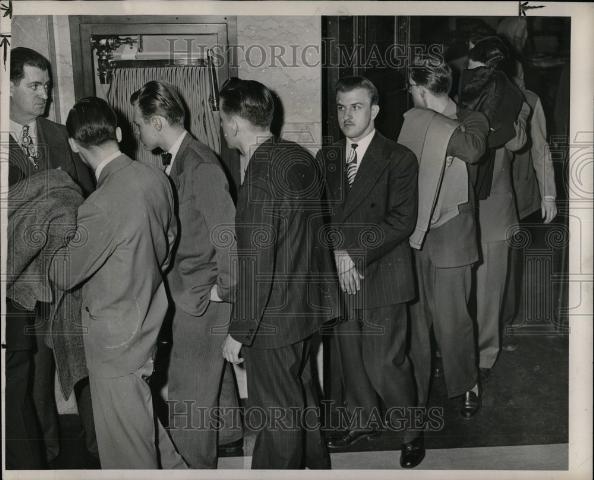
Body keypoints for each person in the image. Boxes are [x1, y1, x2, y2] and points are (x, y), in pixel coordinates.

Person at [48, 97, 185, 469]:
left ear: (75, 145)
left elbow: (62, 274)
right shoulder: (156, 178)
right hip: (149, 325)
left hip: (113, 341)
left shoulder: (100, 204)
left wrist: (58, 231)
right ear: (120, 134)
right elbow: (168, 245)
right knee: (145, 429)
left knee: (127, 453)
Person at [220, 78, 333, 469]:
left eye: (223, 119)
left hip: (272, 321)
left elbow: (257, 259)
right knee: (303, 401)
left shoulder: (259, 173)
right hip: (306, 309)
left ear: (234, 124)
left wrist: (239, 330)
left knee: (278, 419)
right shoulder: (299, 156)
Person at [130, 80, 242, 468]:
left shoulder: (200, 164)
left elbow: (228, 234)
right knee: (212, 377)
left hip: (201, 298)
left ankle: (194, 467)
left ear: (158, 122)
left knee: (187, 392)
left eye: (140, 124)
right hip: (190, 292)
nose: (138, 132)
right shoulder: (181, 160)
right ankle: (227, 439)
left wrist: (224, 290)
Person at [316, 76, 424, 468]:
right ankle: (363, 421)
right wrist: (338, 252)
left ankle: (411, 432)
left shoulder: (399, 158)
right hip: (342, 274)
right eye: (342, 107)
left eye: (356, 106)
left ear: (374, 110)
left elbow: (402, 221)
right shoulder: (326, 158)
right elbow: (319, 215)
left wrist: (352, 254)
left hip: (382, 275)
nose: (347, 115)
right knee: (350, 359)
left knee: (384, 362)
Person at [6, 46, 96, 468]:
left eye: (47, 85)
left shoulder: (61, 136)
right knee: (31, 375)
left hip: (67, 274)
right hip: (19, 286)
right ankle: (43, 459)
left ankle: (104, 455)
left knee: (85, 361)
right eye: (34, 85)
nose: (44, 94)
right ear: (8, 87)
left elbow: (88, 200)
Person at [399, 58, 489, 418]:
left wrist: (437, 126)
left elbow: (473, 150)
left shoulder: (471, 119)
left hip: (452, 232)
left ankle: (466, 384)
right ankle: (416, 392)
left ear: (419, 88)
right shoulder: (412, 120)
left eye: (410, 88)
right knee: (416, 322)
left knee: (454, 320)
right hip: (416, 233)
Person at [460, 36, 531, 373]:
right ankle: (454, 348)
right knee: (458, 286)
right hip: (458, 204)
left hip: (493, 208)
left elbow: (518, 142)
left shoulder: (513, 97)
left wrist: (499, 119)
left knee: (489, 290)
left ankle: (482, 357)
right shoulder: (457, 92)